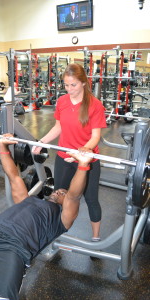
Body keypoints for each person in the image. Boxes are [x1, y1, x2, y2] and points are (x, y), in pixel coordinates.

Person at [0, 134, 92, 300]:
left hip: (11, 250)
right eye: (59, 190)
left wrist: (82, 165)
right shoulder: (26, 199)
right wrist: (3, 147)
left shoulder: (61, 221)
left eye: (63, 193)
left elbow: (74, 196)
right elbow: (13, 176)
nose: (60, 190)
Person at [32, 63, 107, 242]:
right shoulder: (62, 102)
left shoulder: (95, 105)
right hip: (63, 157)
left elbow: (96, 136)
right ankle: (55, 233)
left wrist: (84, 150)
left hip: (86, 161)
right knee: (58, 195)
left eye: (73, 85)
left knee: (91, 200)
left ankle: (96, 237)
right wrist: (41, 141)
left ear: (83, 83)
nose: (69, 89)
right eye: (66, 85)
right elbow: (58, 127)